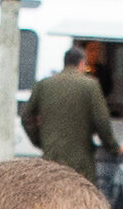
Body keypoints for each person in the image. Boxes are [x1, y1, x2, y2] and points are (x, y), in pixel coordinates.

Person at [27, 39, 112, 185]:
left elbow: (27, 117)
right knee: (80, 200)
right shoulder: (90, 85)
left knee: (50, 197)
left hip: (51, 158)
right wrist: (113, 146)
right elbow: (101, 120)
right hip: (81, 162)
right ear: (82, 63)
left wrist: (41, 141)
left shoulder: (44, 85)